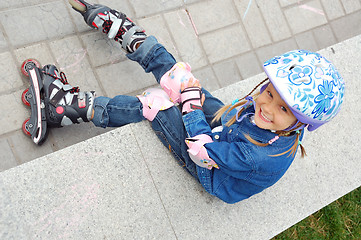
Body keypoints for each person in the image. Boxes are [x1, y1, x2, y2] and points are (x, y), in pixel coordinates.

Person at [36, 0, 345, 204]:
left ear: (302, 123)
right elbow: (243, 112)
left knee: (156, 106)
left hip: (212, 165)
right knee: (181, 80)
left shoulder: (256, 156)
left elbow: (201, 150)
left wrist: (189, 107)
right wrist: (188, 93)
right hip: (229, 133)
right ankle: (134, 38)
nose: (265, 106)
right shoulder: (269, 117)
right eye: (269, 93)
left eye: (282, 109)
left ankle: (68, 109)